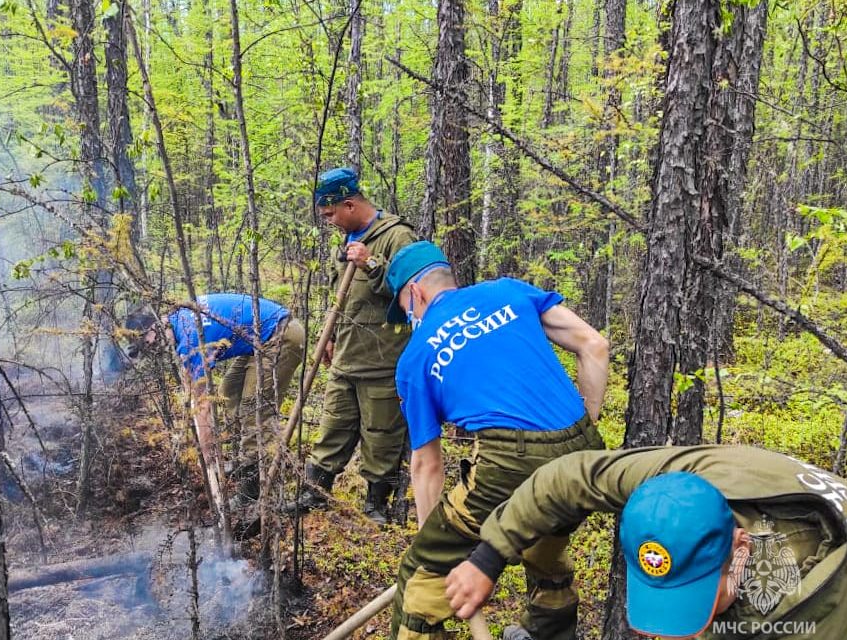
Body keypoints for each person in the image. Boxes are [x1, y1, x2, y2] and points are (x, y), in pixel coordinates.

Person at [384, 241, 610, 640]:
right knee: (543, 540)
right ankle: (547, 632)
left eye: (405, 306)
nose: (408, 316)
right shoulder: (508, 290)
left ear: (416, 292)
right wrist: (579, 439)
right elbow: (594, 345)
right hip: (583, 453)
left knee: (420, 577)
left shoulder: (416, 356)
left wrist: (435, 544)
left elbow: (426, 464)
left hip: (509, 460)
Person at [444, 445, 847, 640]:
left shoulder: (804, 619)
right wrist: (488, 555)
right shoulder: (690, 480)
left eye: (700, 596)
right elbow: (569, 476)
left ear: (741, 551)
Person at [295, 167, 417, 525]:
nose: (329, 221)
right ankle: (313, 493)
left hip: (382, 360)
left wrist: (372, 263)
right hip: (346, 358)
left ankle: (376, 505)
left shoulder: (397, 237)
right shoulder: (346, 242)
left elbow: (412, 293)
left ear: (349, 204)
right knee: (332, 426)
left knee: (381, 435)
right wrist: (330, 336)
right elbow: (343, 297)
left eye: (330, 214)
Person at [125, 293, 305, 505]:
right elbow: (193, 382)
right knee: (229, 392)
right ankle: (245, 463)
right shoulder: (179, 317)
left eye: (147, 342)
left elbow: (203, 404)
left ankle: (254, 492)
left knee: (253, 410)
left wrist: (205, 450)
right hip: (259, 338)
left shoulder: (191, 340)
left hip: (282, 335)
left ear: (155, 326)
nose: (151, 349)